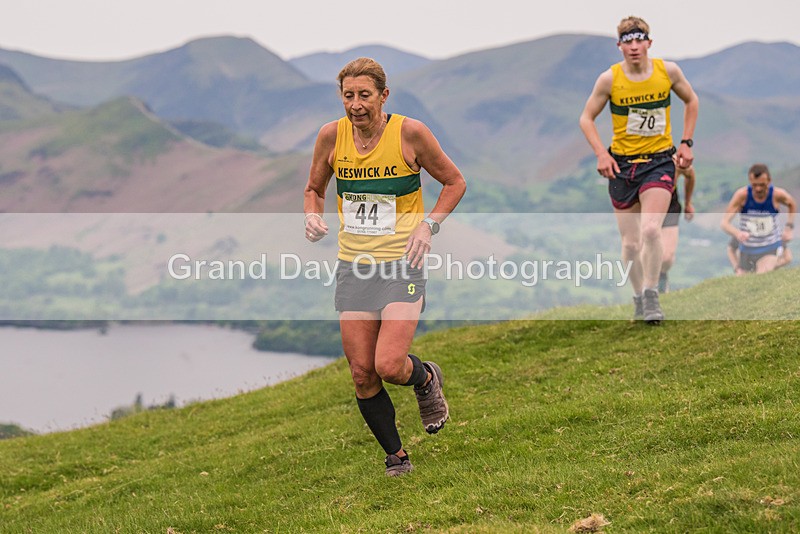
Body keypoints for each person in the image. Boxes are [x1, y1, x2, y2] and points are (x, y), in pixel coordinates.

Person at [303, 58, 466, 476]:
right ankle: (397, 456)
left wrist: (429, 226)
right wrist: (311, 215)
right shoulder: (330, 137)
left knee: (389, 365)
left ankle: (426, 378)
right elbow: (313, 189)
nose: (356, 105)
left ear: (383, 96)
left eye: (364, 95)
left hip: (401, 264)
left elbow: (455, 182)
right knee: (361, 373)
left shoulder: (409, 133)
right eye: (348, 96)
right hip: (354, 267)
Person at [579, 16, 699, 324]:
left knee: (650, 230)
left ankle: (651, 294)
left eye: (639, 40)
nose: (634, 47)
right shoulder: (609, 79)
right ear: (619, 46)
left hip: (659, 161)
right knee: (631, 245)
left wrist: (686, 143)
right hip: (622, 167)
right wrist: (601, 154)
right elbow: (586, 118)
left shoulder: (667, 71)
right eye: (627, 41)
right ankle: (637, 297)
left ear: (649, 42)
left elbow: (691, 100)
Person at [720, 163, 796, 274]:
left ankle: (771, 267)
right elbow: (724, 223)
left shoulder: (777, 194)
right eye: (754, 185)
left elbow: (792, 204)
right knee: (745, 285)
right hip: (747, 250)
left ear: (769, 181)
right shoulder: (742, 195)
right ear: (750, 181)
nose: (758, 189)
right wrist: (737, 233)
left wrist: (789, 227)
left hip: (769, 248)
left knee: (761, 276)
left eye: (762, 185)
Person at [658, 160, 696, 292]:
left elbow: (690, 175)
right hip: (645, 208)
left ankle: (662, 277)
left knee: (667, 257)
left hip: (670, 207)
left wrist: (688, 202)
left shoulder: (674, 162)